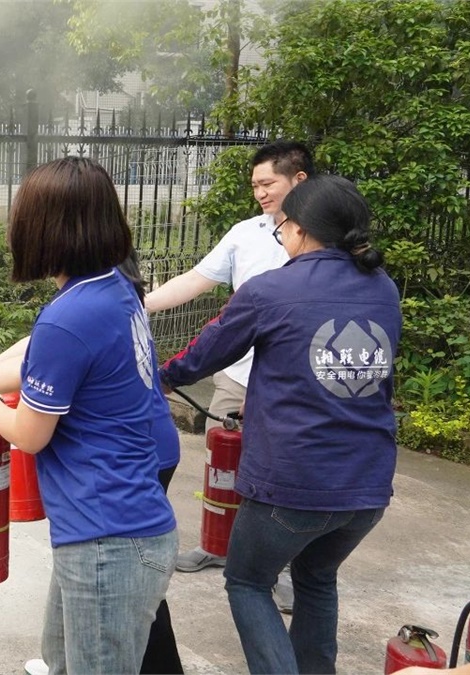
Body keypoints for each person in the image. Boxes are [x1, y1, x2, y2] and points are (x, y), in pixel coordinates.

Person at [159, 175, 401, 674]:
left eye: (281, 227)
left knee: (248, 582)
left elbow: (203, 356)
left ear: (300, 229)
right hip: (368, 487)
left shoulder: (270, 289)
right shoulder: (383, 288)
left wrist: (157, 376)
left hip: (294, 484)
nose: (281, 235)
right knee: (317, 577)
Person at [0, 156, 179, 674]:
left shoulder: (70, 316)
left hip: (106, 538)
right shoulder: (115, 290)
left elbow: (30, 435)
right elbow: (44, 364)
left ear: (45, 228)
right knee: (60, 661)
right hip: (114, 527)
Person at [145, 141, 314, 613]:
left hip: (290, 382)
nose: (260, 193)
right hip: (237, 375)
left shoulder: (321, 238)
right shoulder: (246, 233)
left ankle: (282, 568)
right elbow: (195, 280)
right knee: (223, 461)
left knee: (280, 473)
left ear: (298, 179)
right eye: (255, 185)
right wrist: (138, 304)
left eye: (268, 183)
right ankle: (217, 543)